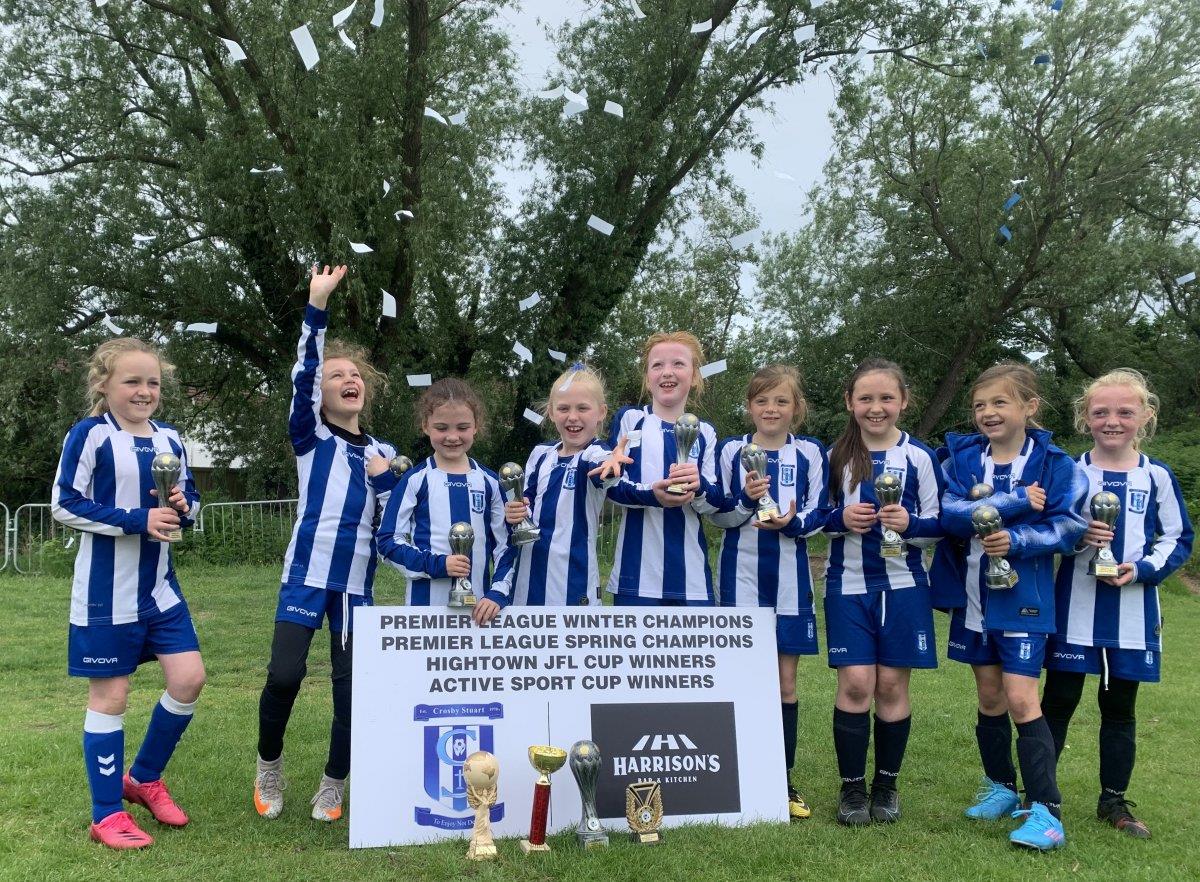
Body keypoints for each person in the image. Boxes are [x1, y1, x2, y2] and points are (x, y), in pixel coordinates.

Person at [254, 265, 401, 823]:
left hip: (355, 590)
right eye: (336, 373)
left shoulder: (385, 451)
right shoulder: (309, 436)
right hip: (305, 578)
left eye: (356, 374)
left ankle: (333, 783)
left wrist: (389, 479)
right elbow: (303, 371)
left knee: (350, 696)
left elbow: (395, 527)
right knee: (284, 677)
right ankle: (269, 766)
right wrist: (317, 305)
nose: (349, 378)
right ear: (321, 391)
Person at [52, 338, 205, 849]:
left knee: (188, 679)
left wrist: (184, 504)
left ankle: (142, 777)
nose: (144, 391)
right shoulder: (90, 435)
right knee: (111, 697)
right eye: (132, 381)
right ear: (104, 385)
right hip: (106, 592)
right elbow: (64, 504)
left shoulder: (171, 438)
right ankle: (106, 814)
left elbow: (192, 500)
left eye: (153, 382)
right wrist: (137, 520)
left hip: (160, 587)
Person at [941, 362, 1088, 851]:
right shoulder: (962, 459)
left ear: (1030, 407)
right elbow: (950, 513)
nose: (988, 413)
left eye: (1000, 402)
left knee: (1024, 698)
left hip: (1025, 599)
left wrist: (1018, 539)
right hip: (973, 597)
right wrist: (1017, 502)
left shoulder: (1056, 464)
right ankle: (1001, 787)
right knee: (989, 696)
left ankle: (1047, 812)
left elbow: (1070, 528)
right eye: (980, 405)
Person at [1040, 369, 1192, 838]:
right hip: (1073, 608)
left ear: (1145, 416)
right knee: (1058, 701)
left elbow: (1177, 538)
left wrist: (1141, 570)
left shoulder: (1158, 475)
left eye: (1125, 411)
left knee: (1120, 707)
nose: (1112, 420)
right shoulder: (1069, 470)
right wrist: (1074, 537)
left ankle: (1113, 801)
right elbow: (1048, 529)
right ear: (1085, 417)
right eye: (1101, 411)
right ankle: (1041, 797)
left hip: (1133, 613)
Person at [822, 358, 943, 826]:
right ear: (850, 403)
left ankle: (886, 786)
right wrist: (840, 520)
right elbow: (811, 517)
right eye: (866, 399)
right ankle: (852, 789)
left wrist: (911, 525)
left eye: (886, 398)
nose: (876, 408)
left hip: (905, 586)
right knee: (855, 683)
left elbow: (938, 526)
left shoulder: (920, 458)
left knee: (891, 685)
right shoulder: (835, 456)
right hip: (847, 584)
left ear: (904, 402)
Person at [709, 365, 830, 821]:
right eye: (762, 401)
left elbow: (821, 514)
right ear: (750, 406)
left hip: (790, 586)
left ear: (795, 408)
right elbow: (717, 514)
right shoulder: (730, 450)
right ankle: (735, 775)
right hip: (738, 582)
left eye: (781, 401)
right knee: (737, 682)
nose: (771, 409)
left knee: (783, 683)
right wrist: (743, 500)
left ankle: (782, 778)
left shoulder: (811, 453)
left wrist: (791, 523)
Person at [502, 363, 661, 606]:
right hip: (527, 580)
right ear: (552, 413)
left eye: (583, 408)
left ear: (601, 412)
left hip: (575, 582)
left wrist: (615, 465)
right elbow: (527, 501)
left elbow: (604, 471)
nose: (572, 417)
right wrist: (515, 511)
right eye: (563, 408)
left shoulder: (595, 452)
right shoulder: (541, 453)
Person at [597, 331, 727, 605]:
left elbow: (714, 503)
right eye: (657, 365)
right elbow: (609, 485)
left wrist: (699, 486)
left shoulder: (705, 432)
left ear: (694, 376)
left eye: (678, 364)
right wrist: (651, 495)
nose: (667, 372)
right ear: (648, 377)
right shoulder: (630, 419)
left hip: (691, 580)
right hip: (635, 579)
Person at [376, 378, 514, 623]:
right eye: (442, 428)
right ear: (425, 426)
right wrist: (437, 564)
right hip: (425, 614)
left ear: (476, 426)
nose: (452, 436)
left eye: (462, 427)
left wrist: (498, 593)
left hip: (480, 613)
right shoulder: (414, 480)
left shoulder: (491, 482)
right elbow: (387, 541)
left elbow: (506, 546)